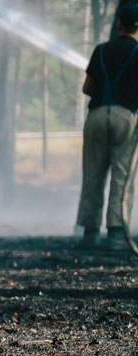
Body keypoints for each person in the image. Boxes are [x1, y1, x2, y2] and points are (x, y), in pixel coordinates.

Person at [76, 3, 138, 251]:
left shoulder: (101, 50)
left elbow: (87, 89)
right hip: (126, 119)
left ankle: (89, 232)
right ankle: (115, 234)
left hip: (97, 117)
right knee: (121, 176)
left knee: (93, 174)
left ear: (119, 24)